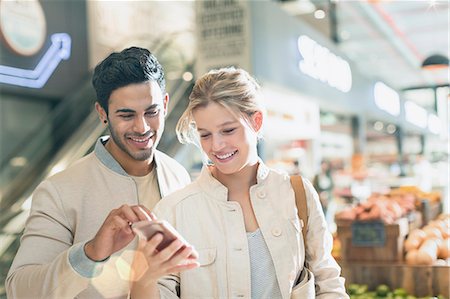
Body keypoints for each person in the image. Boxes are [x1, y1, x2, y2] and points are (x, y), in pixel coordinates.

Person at [131, 67, 348, 298]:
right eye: (205, 134)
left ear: (256, 121)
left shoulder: (296, 193)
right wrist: (143, 277)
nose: (216, 146)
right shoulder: (174, 210)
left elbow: (326, 280)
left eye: (228, 130)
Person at [6, 47, 195, 299]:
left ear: (166, 104)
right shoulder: (59, 191)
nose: (142, 127)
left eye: (152, 112)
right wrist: (91, 253)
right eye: (126, 115)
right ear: (102, 113)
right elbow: (20, 290)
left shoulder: (178, 175)